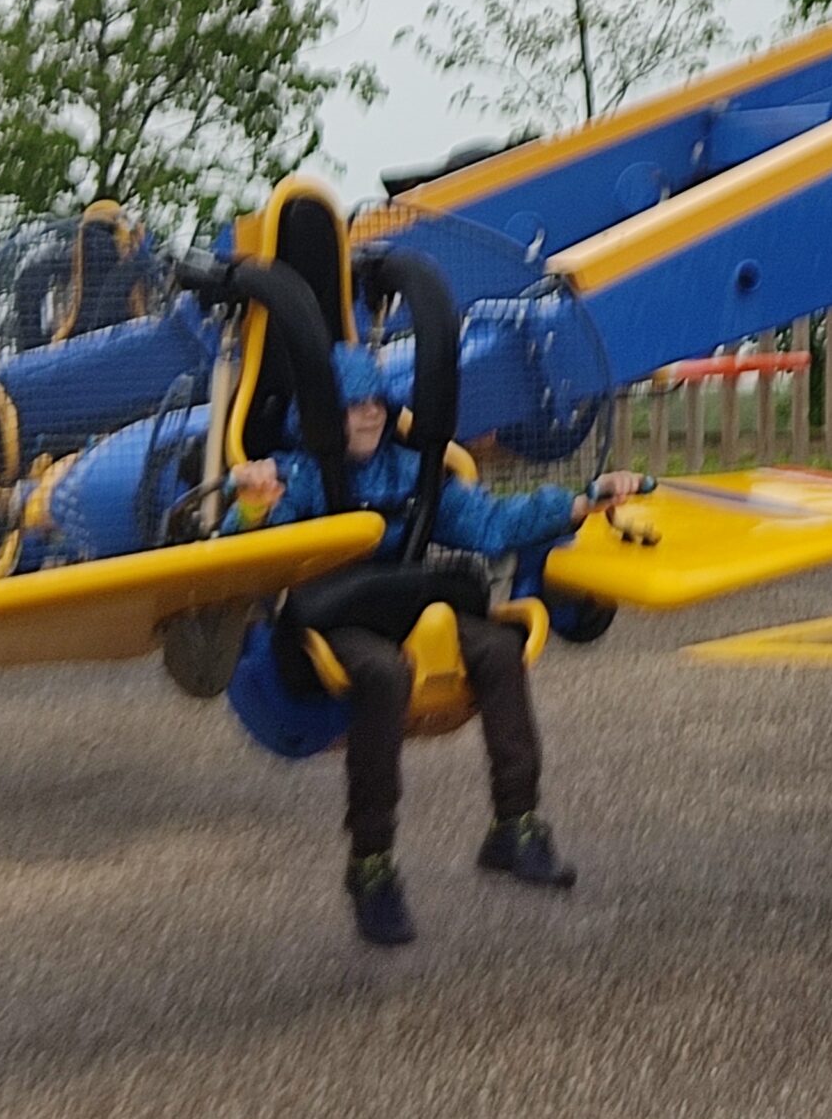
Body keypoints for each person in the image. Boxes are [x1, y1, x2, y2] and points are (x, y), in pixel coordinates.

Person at [225, 343, 644, 946]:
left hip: (404, 605)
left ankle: (515, 823)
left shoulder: (411, 472)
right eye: (353, 405)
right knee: (384, 674)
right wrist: (250, 511)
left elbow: (491, 524)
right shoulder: (299, 477)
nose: (370, 414)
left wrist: (579, 502)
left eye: (376, 402)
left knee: (499, 648)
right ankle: (371, 865)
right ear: (324, 414)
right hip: (333, 622)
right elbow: (243, 557)